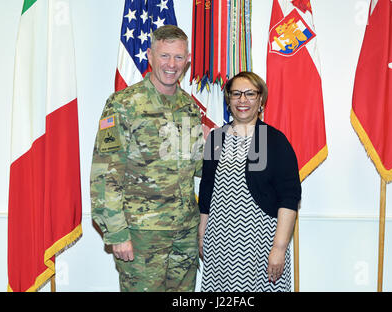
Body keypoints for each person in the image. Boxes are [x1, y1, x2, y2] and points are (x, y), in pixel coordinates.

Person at [90, 25, 204, 292]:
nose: (171, 64)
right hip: (142, 235)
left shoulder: (190, 107)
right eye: (164, 56)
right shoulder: (124, 103)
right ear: (150, 55)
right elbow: (105, 174)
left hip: (185, 233)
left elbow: (197, 165)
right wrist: (116, 233)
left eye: (178, 57)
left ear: (187, 60)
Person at [198, 71, 302, 292]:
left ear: (261, 100)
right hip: (219, 243)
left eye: (250, 94)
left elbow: (289, 198)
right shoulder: (216, 138)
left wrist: (279, 248)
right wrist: (202, 234)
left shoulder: (275, 141)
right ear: (228, 99)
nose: (242, 100)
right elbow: (207, 189)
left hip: (260, 246)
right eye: (236, 94)